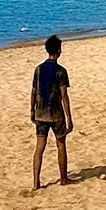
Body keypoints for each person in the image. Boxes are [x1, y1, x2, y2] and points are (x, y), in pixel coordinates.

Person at [30, 35, 74, 189]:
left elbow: (34, 91)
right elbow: (64, 96)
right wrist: (69, 117)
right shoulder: (61, 71)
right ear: (59, 51)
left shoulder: (39, 69)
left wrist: (32, 110)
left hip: (41, 113)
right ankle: (63, 178)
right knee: (61, 145)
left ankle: (36, 182)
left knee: (39, 147)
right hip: (56, 115)